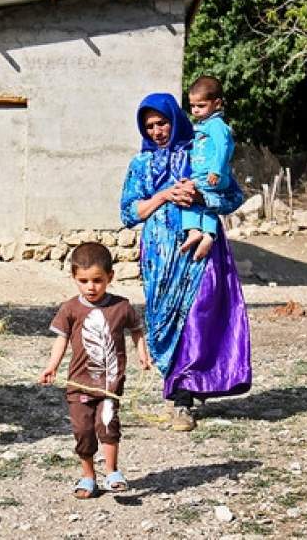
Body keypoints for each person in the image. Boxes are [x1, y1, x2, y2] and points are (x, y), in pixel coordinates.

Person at [120, 93, 251, 432]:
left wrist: (198, 195)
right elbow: (128, 212)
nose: (156, 131)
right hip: (160, 257)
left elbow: (233, 196)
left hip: (200, 254)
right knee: (164, 321)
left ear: (175, 119)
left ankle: (182, 399)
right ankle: (183, 385)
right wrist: (164, 195)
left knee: (196, 319)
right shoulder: (140, 165)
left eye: (161, 123)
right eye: (149, 127)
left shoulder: (199, 150)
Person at [39, 242, 151, 499]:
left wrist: (142, 354)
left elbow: (136, 330)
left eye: (98, 280)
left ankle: (112, 471)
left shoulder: (121, 306)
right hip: (79, 383)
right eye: (84, 281)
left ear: (110, 277)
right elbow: (61, 340)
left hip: (110, 383)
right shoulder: (70, 308)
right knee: (83, 430)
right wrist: (51, 366)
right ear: (74, 279)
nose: (91, 287)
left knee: (108, 425)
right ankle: (88, 475)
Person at [179, 75, 236, 261]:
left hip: (211, 175)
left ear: (217, 103)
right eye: (192, 106)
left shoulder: (216, 125)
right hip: (206, 174)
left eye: (201, 106)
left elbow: (224, 147)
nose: (195, 110)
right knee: (207, 206)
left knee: (188, 194)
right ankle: (209, 235)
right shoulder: (204, 125)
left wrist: (216, 170)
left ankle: (194, 230)